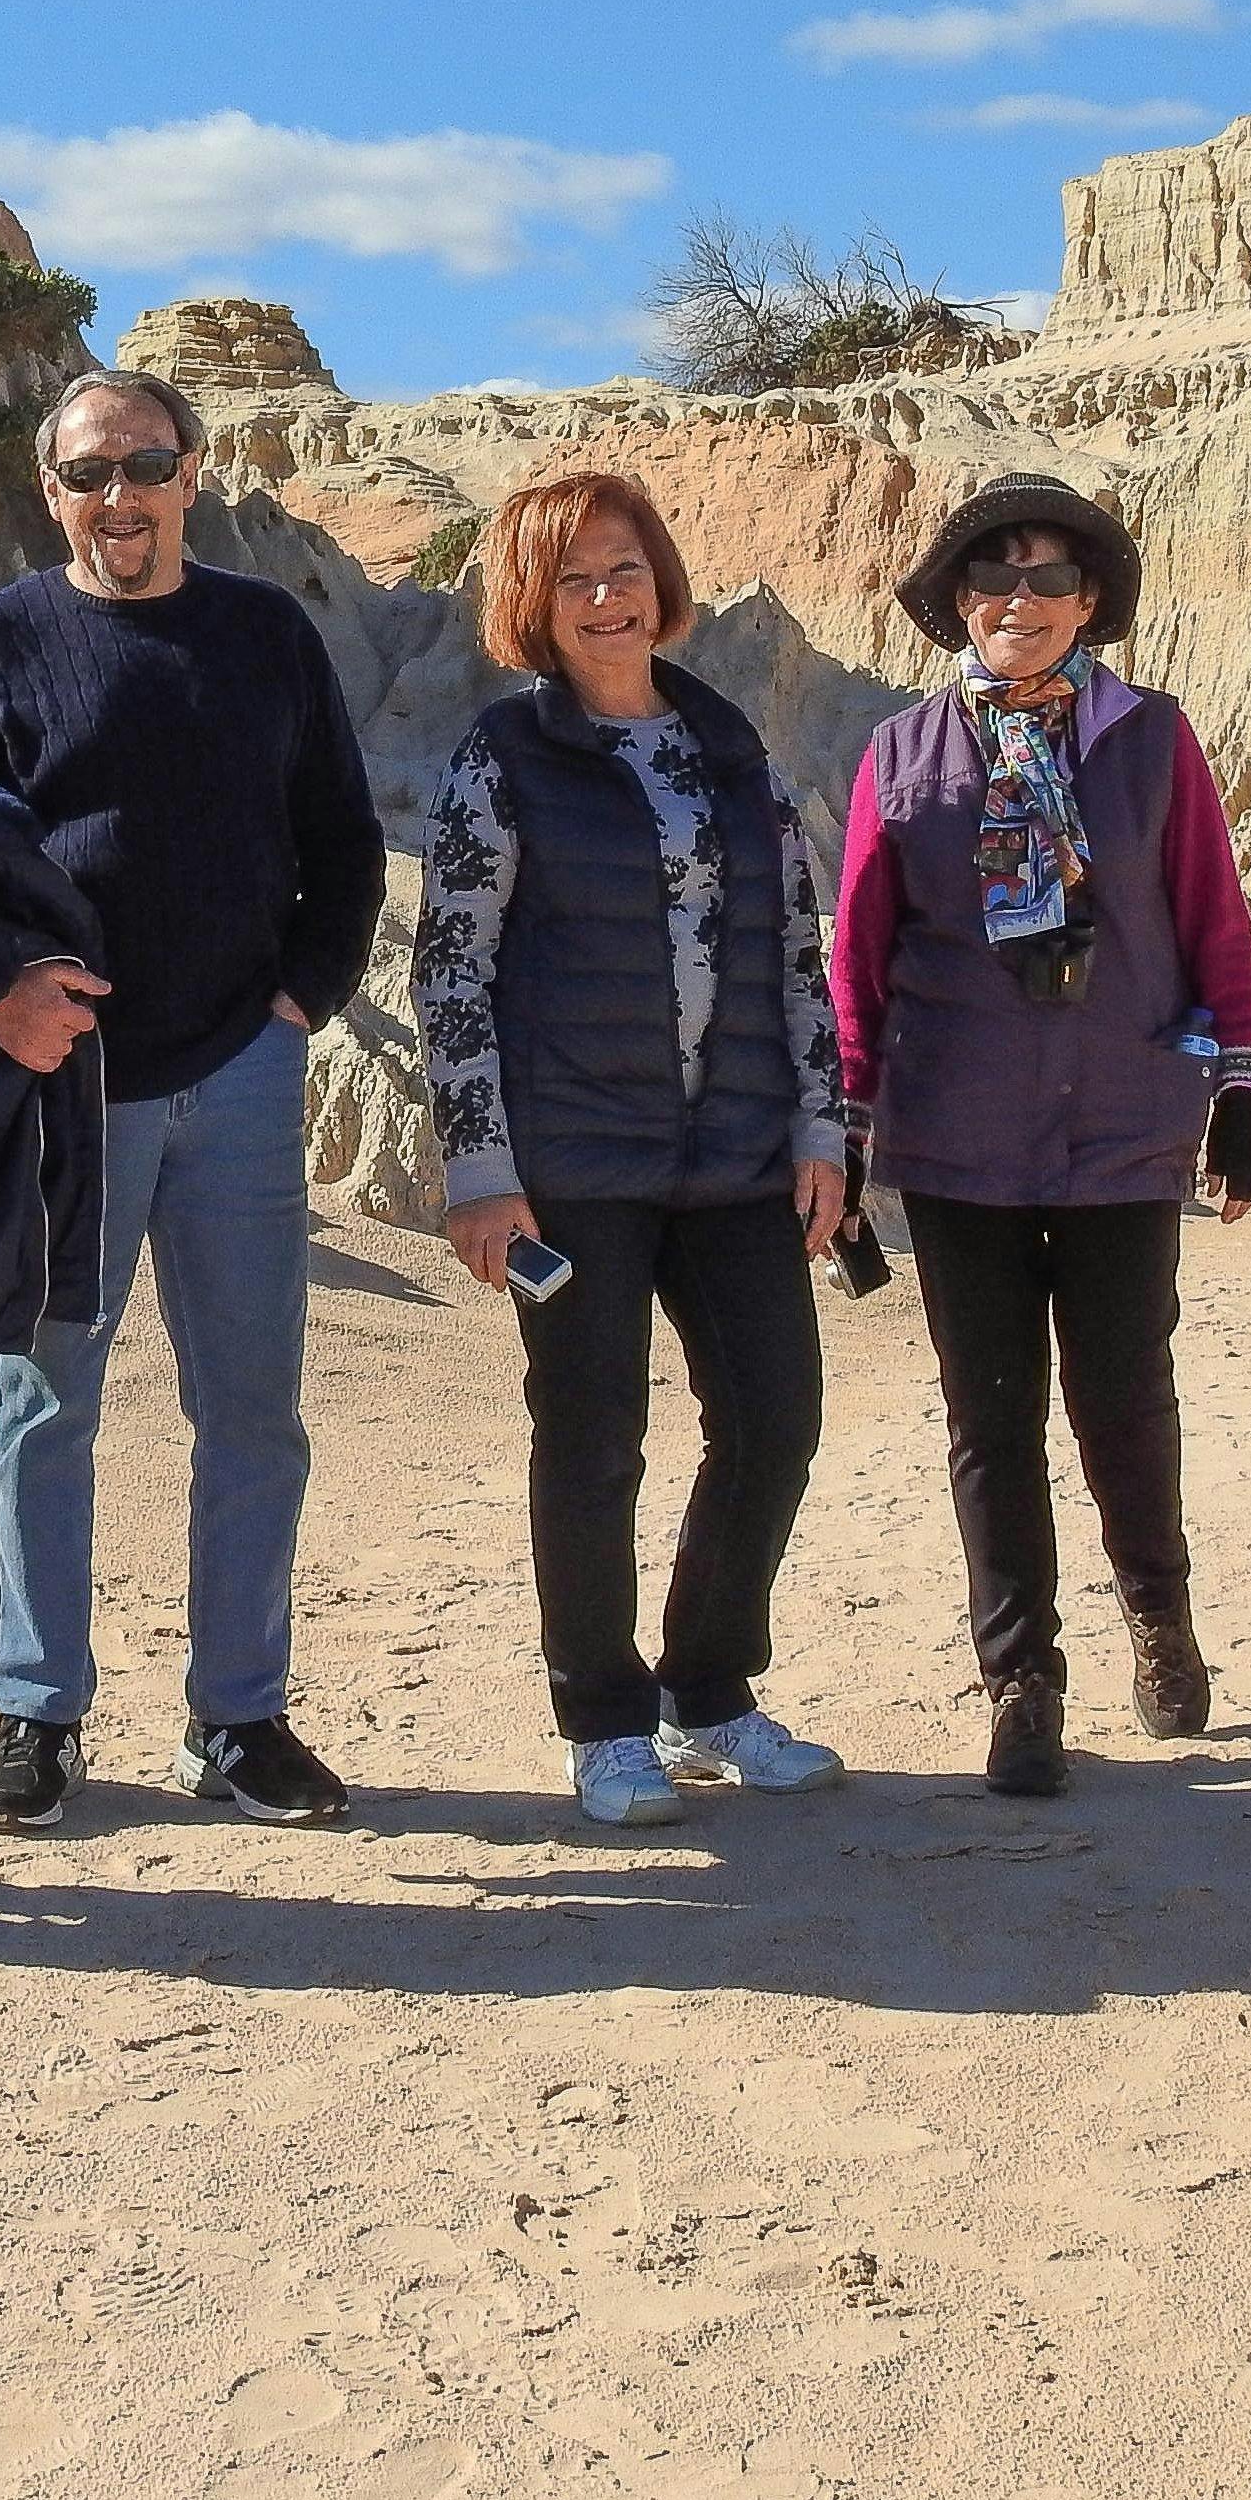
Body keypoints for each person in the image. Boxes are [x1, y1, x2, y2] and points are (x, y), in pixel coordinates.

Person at [0, 367, 388, 1833]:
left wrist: (303, 998)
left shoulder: (261, 634)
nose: (122, 496)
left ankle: (239, 1718)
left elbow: (341, 840)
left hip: (237, 1072)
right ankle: (35, 1713)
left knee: (253, 1411)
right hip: (67, 1088)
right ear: (48, 491)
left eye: (147, 465)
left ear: (190, 475)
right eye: (89, 472)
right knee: (45, 1402)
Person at [833, 473, 1251, 1799]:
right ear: (954, 605)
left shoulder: (1148, 738)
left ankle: (1159, 1619)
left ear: (1088, 603)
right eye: (990, 578)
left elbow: (1210, 916)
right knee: (989, 1415)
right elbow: (858, 958)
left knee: (1122, 1395)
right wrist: (842, 1130)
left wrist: (1241, 1089)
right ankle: (1020, 1681)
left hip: (1123, 1114)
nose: (1015, 600)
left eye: (1044, 578)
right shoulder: (900, 754)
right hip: (956, 1127)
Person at [416, 472, 853, 1828]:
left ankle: (710, 1691)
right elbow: (451, 970)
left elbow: (794, 955)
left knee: (773, 1420)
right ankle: (602, 1722)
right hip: (571, 1177)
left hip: (732, 1163)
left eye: (623, 570)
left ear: (662, 583)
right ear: (530, 609)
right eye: (572, 581)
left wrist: (820, 1131)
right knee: (593, 1435)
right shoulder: (503, 761)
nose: (604, 599)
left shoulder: (735, 757)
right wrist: (482, 1173)